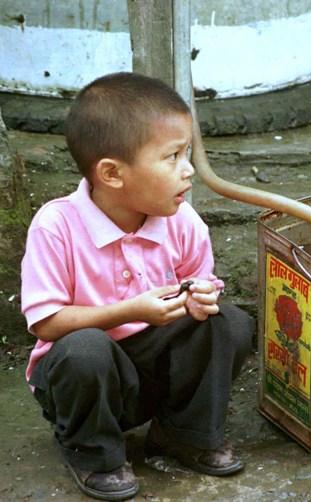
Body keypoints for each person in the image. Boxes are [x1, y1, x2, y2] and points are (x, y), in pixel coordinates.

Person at [20, 72, 254, 501]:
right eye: (171, 157)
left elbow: (201, 287)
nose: (188, 171)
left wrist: (202, 300)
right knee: (86, 348)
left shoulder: (183, 221)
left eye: (188, 153)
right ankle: (92, 452)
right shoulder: (56, 226)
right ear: (112, 173)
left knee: (231, 324)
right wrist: (131, 311)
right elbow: (47, 323)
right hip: (83, 381)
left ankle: (184, 433)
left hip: (151, 376)